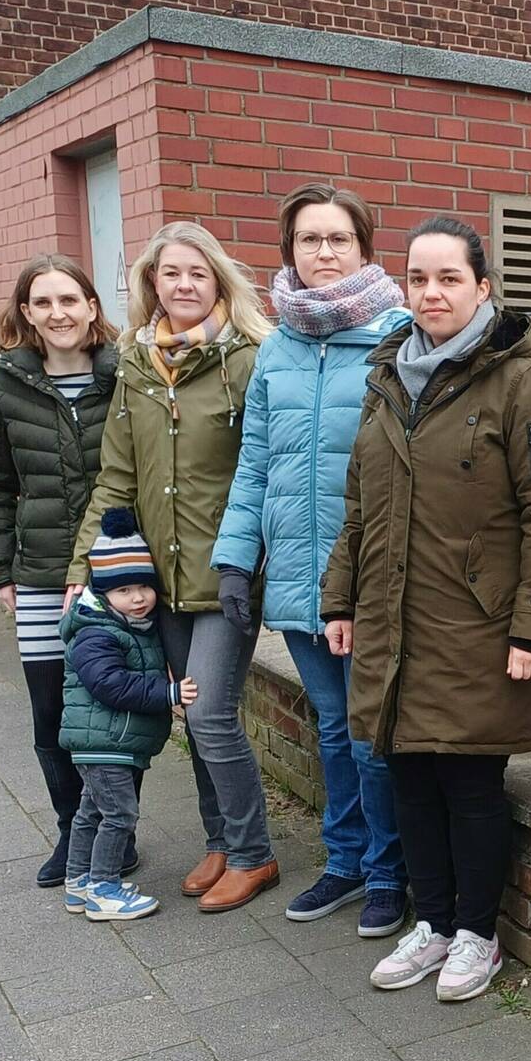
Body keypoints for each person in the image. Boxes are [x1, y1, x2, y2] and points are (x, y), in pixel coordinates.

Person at [321, 215, 531, 1001]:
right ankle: (430, 924)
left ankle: (477, 935)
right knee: (408, 775)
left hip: (478, 624)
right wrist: (342, 598)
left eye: (449, 279)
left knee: (470, 786)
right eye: (419, 279)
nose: (431, 293)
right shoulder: (387, 376)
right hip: (393, 618)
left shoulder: (520, 379)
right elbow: (360, 505)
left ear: (482, 289)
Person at [214, 184, 412, 936]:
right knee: (333, 727)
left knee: (373, 736)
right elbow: (255, 462)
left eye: (338, 239)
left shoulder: (398, 339)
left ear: (365, 248)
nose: (323, 253)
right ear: (288, 249)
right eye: (308, 240)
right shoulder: (278, 348)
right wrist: (237, 559)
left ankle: (389, 873)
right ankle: (346, 860)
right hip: (297, 571)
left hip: (367, 577)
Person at [70, 221, 281, 914]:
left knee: (212, 714)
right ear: (151, 285)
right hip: (158, 582)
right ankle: (220, 841)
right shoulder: (135, 364)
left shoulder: (249, 359)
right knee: (193, 717)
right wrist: (85, 566)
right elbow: (117, 476)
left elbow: (265, 474)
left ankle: (253, 855)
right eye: (171, 274)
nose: (184, 285)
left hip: (224, 576)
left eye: (197, 273)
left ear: (217, 280)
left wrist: (249, 558)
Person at [0, 253, 140, 888]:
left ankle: (116, 831)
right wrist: (0, 571)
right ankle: (74, 828)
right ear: (26, 314)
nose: (57, 313)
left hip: (119, 572)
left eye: (70, 300)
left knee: (115, 704)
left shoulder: (127, 376)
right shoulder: (1, 386)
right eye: (43, 303)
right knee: (52, 713)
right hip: (40, 573)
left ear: (93, 308)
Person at [59, 509, 198, 922]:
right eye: (124, 591)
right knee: (120, 814)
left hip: (105, 743)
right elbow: (111, 685)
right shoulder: (95, 633)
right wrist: (169, 692)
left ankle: (78, 881)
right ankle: (104, 888)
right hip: (104, 743)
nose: (138, 597)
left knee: (91, 812)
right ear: (103, 595)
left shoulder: (129, 624)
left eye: (143, 586)